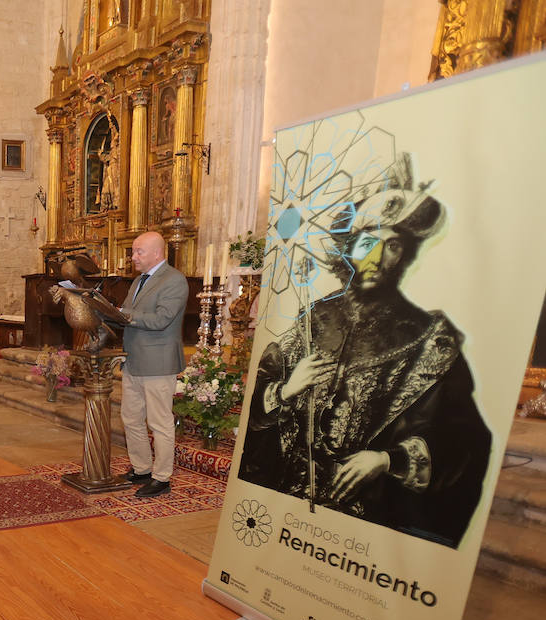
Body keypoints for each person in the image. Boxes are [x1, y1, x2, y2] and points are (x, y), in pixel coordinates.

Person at [237, 186, 490, 548]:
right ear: (349, 250)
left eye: (393, 245)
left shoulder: (430, 339)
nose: (377, 257)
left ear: (405, 256)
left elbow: (466, 441)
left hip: (369, 529)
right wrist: (286, 390)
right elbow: (260, 398)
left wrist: (388, 460)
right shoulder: (314, 319)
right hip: (287, 515)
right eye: (366, 242)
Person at [115, 231, 189, 499]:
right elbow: (124, 316)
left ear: (157, 253)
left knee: (159, 423)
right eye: (133, 252)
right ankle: (142, 468)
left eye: (138, 252)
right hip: (133, 360)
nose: (133, 256)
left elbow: (161, 320)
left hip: (158, 363)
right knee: (131, 419)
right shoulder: (137, 281)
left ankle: (161, 477)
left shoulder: (174, 280)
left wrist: (124, 314)